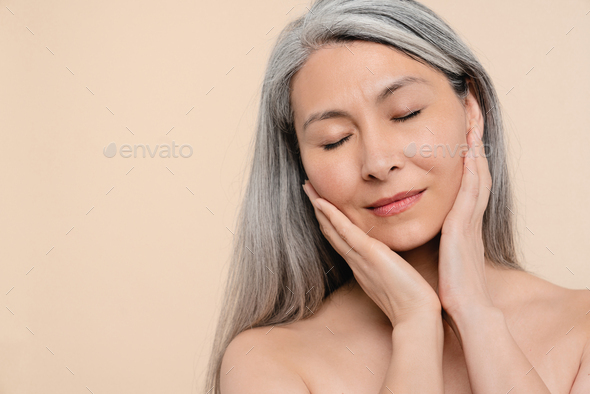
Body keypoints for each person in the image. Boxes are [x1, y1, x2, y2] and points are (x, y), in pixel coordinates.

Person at [203, 0, 590, 392]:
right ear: (299, 161)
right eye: (335, 140)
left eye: (405, 114)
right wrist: (415, 324)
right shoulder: (266, 360)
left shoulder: (583, 328)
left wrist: (474, 311)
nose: (378, 161)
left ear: (470, 108)